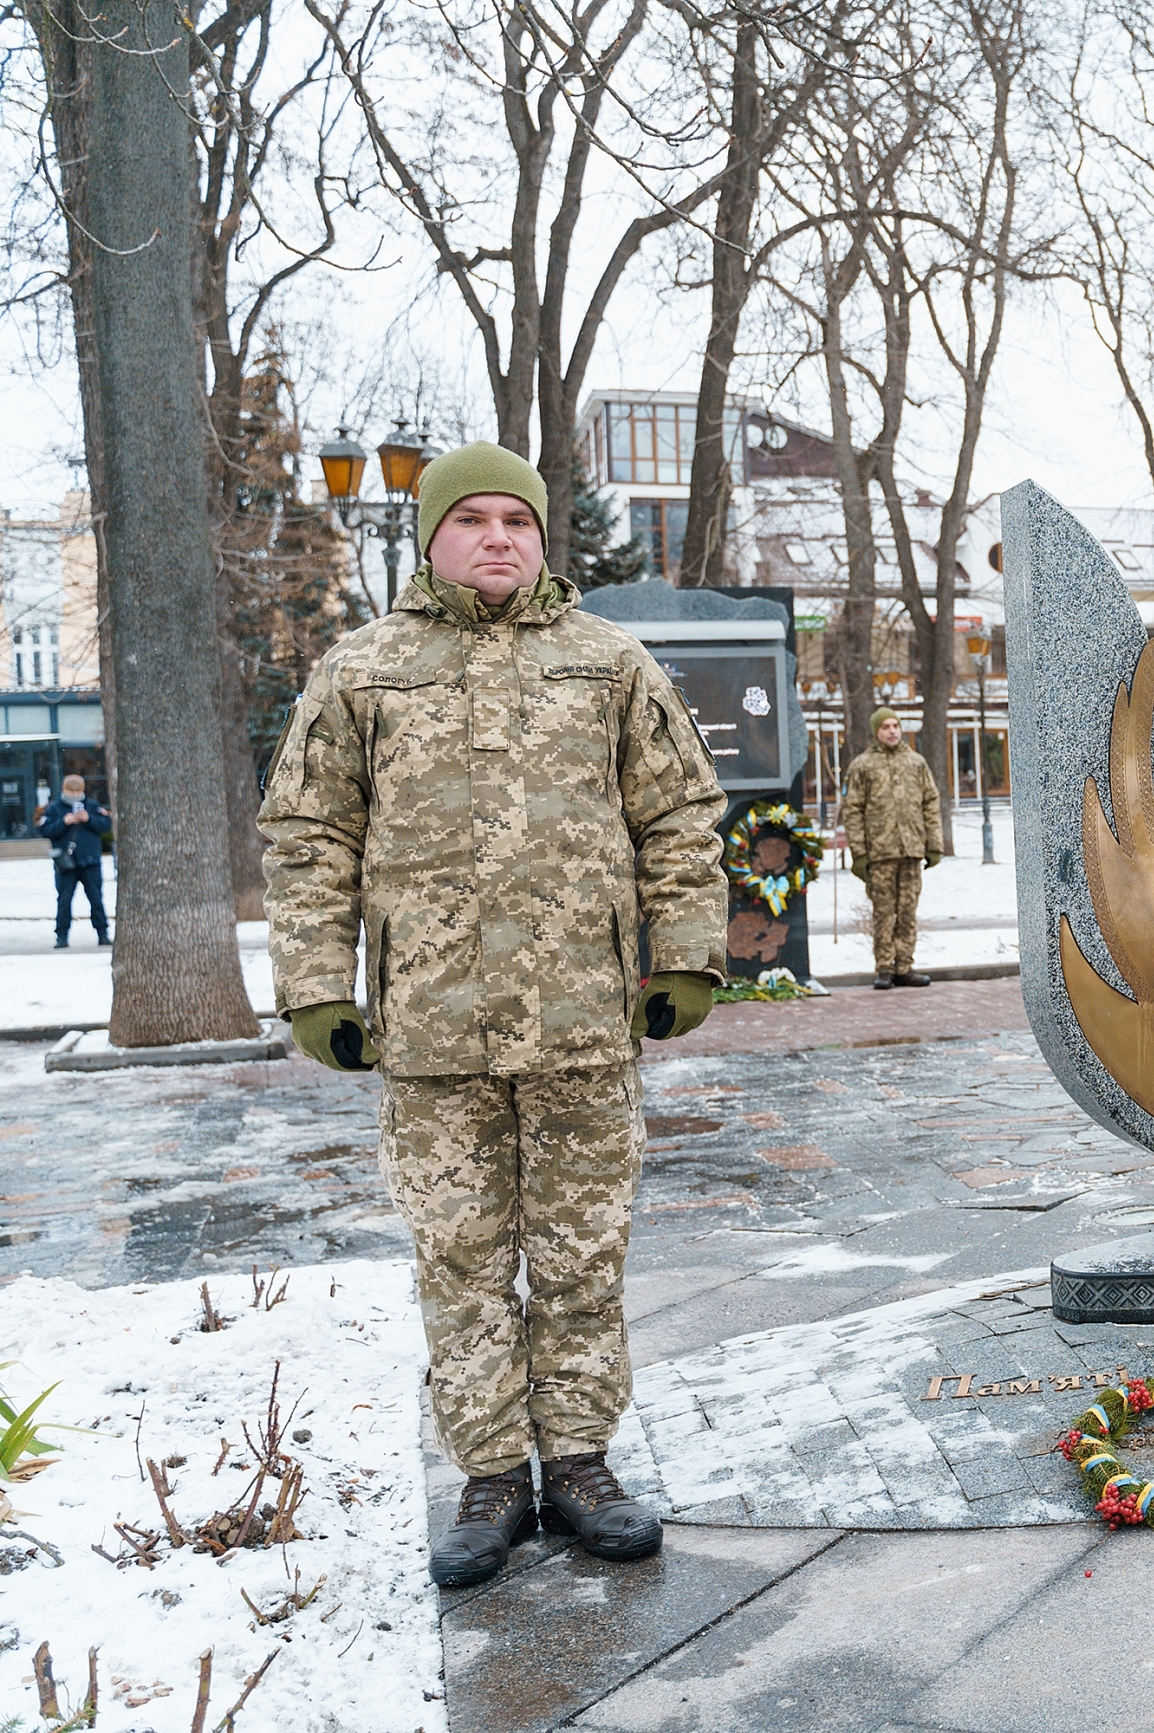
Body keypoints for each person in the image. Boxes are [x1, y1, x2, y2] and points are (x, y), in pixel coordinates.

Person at [259, 443, 727, 1589]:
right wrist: (318, 987)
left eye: (516, 518)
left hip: (582, 1017)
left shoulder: (607, 661)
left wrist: (687, 956)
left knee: (579, 1251)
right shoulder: (362, 670)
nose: (498, 537)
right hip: (430, 1029)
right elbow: (310, 835)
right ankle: (489, 1478)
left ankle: (576, 1463)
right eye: (470, 518)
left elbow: (677, 815)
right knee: (460, 1257)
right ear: (431, 537)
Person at [836, 706, 943, 989]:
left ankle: (904, 966)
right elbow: (853, 810)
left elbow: (930, 803)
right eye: (886, 727)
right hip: (880, 852)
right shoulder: (862, 766)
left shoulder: (916, 763)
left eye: (896, 726)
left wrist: (934, 846)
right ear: (876, 732)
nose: (892, 731)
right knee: (884, 912)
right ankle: (885, 967)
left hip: (911, 850)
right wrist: (859, 853)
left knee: (907, 911)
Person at [37, 773, 110, 948]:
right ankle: (62, 936)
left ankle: (102, 933)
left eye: (78, 790)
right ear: (64, 789)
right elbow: (45, 830)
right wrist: (64, 822)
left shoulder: (92, 806)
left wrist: (89, 819)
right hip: (65, 863)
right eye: (71, 790)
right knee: (64, 900)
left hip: (90, 861)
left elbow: (105, 825)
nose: (75, 794)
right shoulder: (54, 809)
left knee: (96, 899)